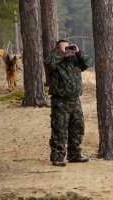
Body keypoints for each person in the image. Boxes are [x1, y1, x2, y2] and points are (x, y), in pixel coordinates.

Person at [46, 39, 90, 167]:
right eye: (65, 48)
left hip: (75, 101)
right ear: (58, 49)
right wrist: (61, 54)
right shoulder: (55, 62)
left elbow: (87, 63)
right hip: (60, 102)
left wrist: (78, 52)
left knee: (78, 128)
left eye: (69, 48)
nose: (68, 50)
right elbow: (48, 64)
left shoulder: (74, 60)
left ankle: (74, 154)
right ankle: (58, 157)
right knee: (59, 131)